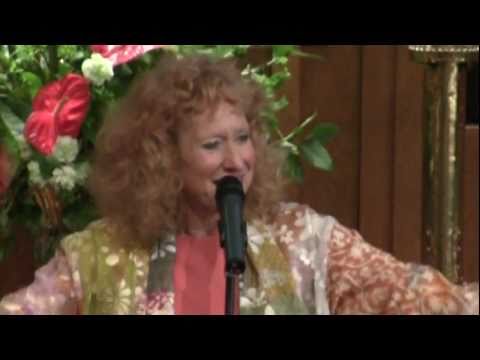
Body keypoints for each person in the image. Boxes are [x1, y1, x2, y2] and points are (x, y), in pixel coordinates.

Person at [0, 54, 478, 315]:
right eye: (212, 145)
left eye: (243, 139)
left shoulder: (305, 239)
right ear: (163, 155)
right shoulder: (96, 255)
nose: (236, 160)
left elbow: (417, 295)